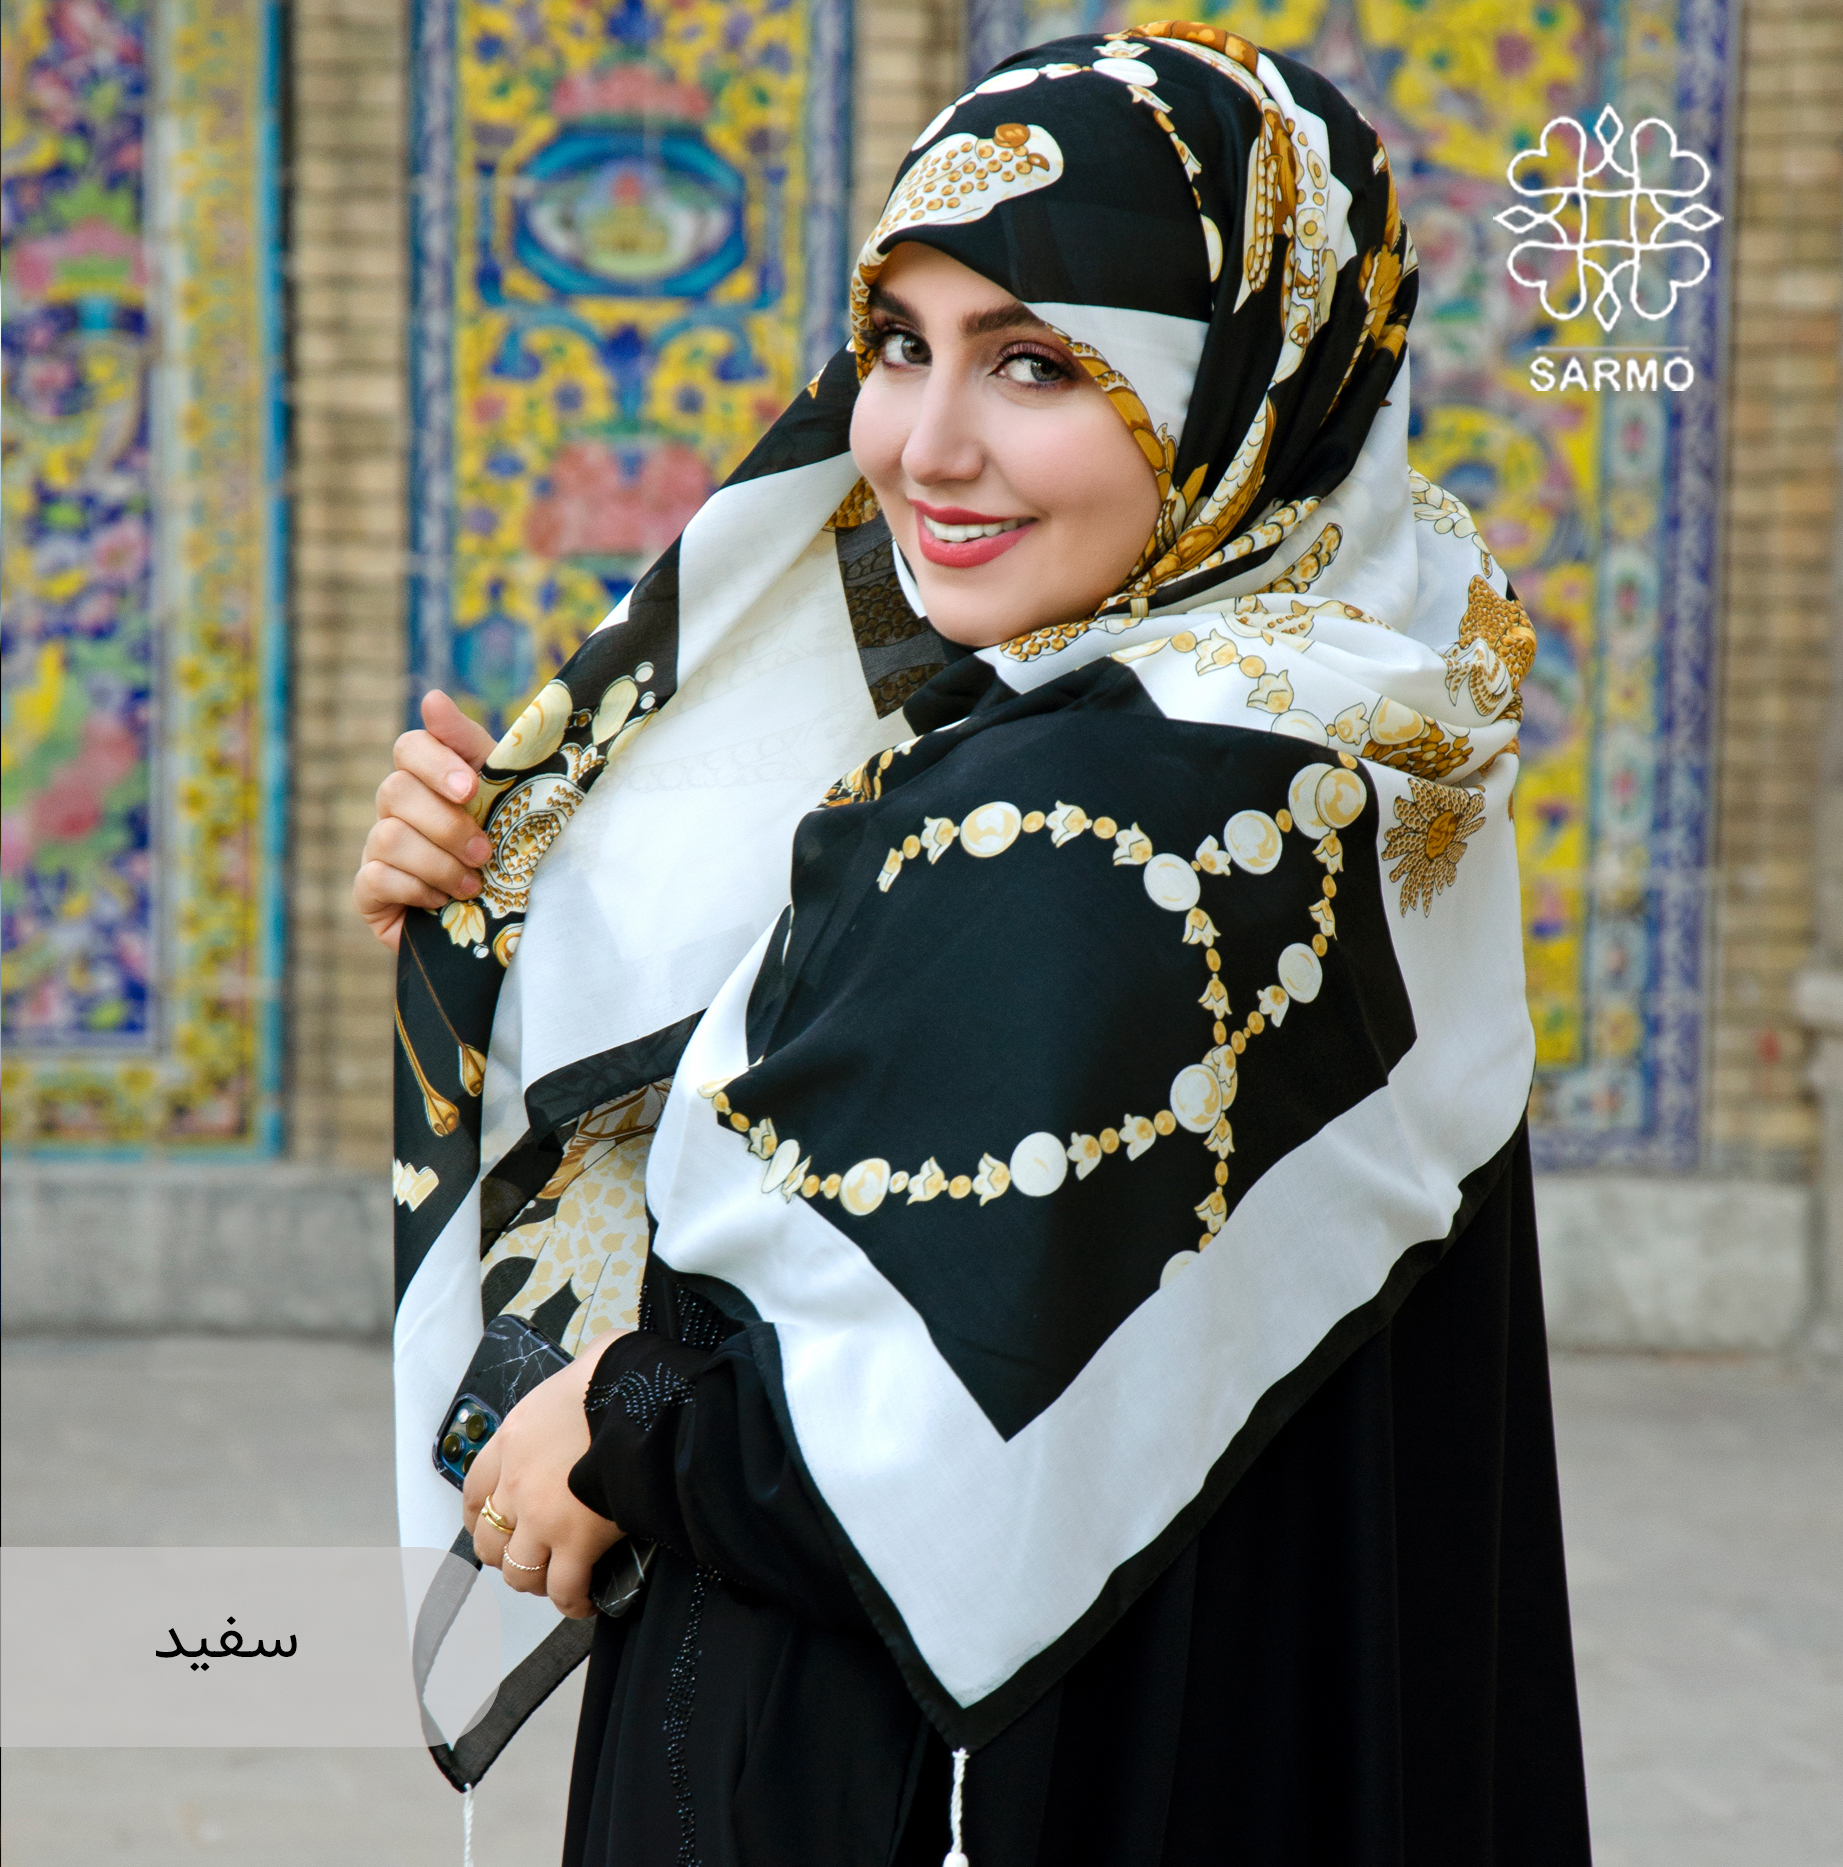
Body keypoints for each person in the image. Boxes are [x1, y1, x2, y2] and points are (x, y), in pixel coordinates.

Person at [357, 23, 1589, 1866]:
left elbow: (893, 1435)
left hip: (945, 1771)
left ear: (1234, 391)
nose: (925, 447)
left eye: (1036, 364)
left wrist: (617, 1424)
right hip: (1223, 1702)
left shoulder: (1122, 806)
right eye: (897, 344)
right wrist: (504, 897)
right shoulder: (1348, 697)